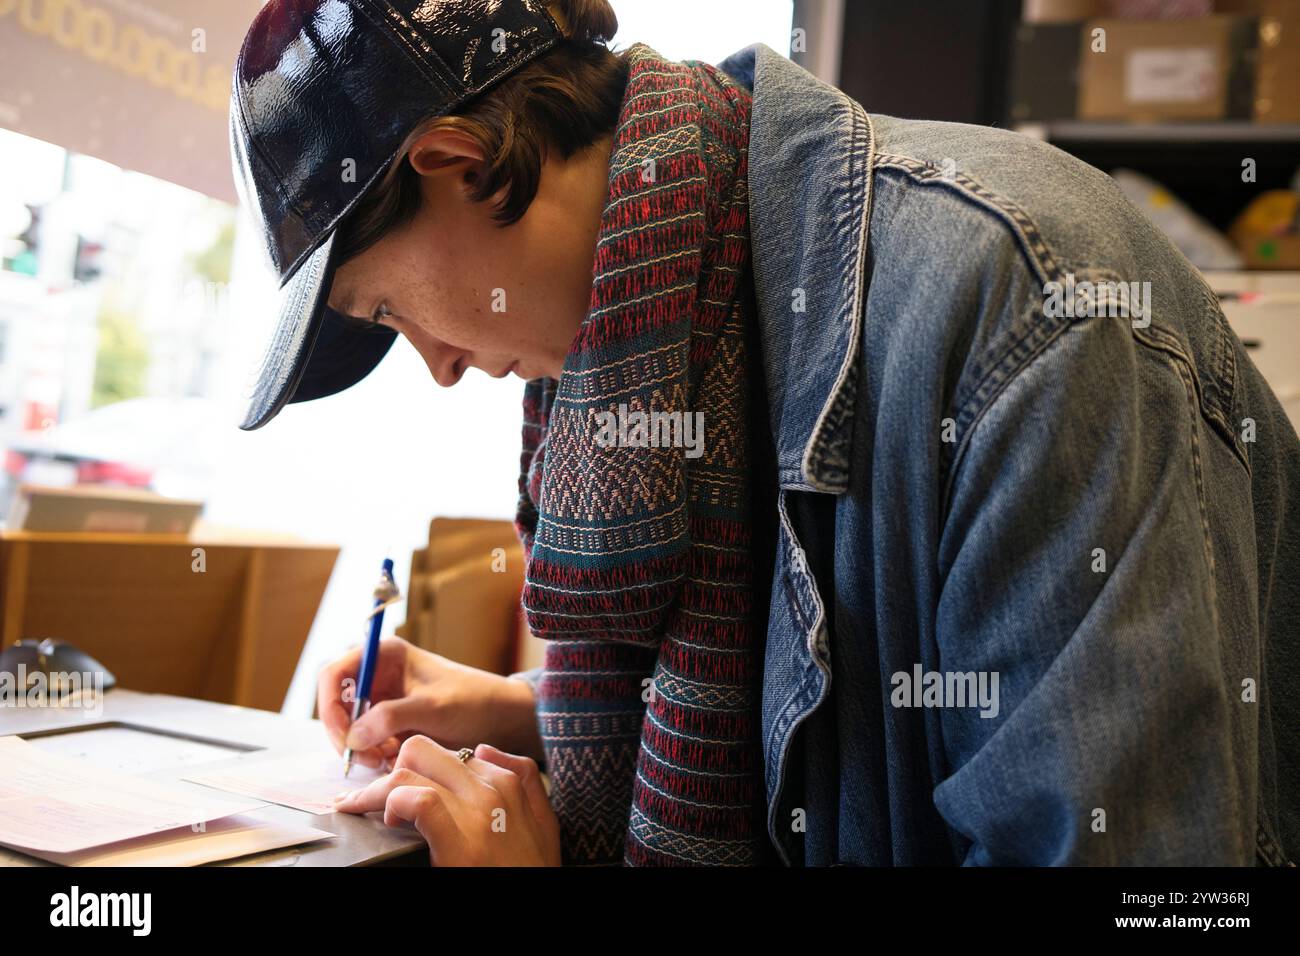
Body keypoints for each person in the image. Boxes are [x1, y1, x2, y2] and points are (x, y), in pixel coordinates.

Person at [232, 0, 1300, 866]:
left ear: (458, 160)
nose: (440, 362)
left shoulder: (1022, 308)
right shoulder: (669, 330)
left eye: (387, 312)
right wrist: (520, 706)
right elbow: (791, 663)